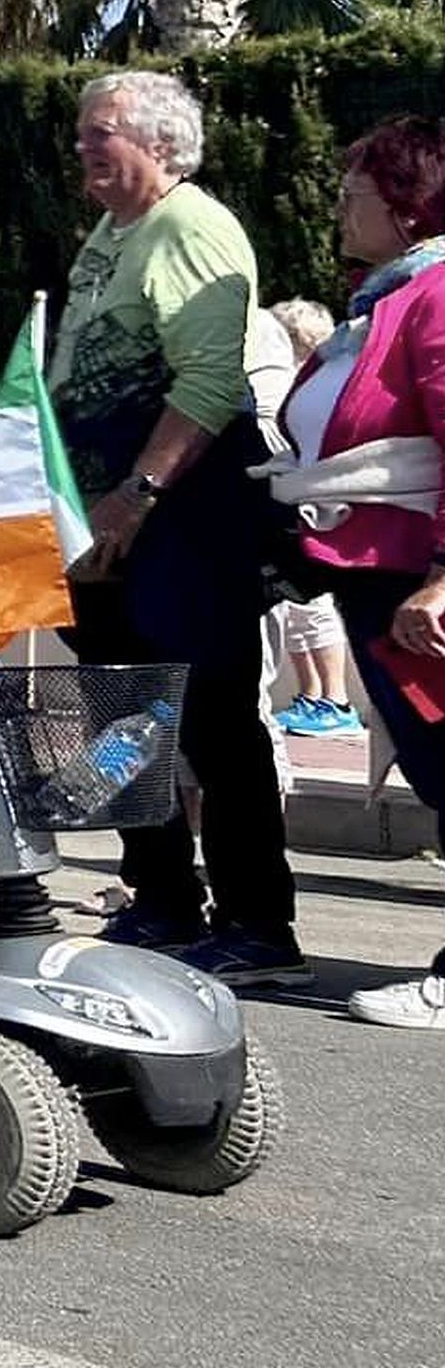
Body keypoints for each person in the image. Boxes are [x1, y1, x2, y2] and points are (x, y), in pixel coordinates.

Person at [50, 69, 300, 986]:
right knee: (120, 716)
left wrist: (138, 492)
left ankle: (256, 926)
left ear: (158, 142)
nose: (82, 146)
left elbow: (204, 378)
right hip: (104, 524)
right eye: (81, 132)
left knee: (213, 720)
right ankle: (158, 901)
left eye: (100, 132)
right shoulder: (112, 231)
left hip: (179, 519)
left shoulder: (190, 226)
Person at [261, 118, 445, 1027]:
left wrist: (442, 579)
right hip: (382, 575)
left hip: (416, 579)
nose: (338, 206)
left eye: (354, 193)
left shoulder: (434, 295)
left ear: (408, 209)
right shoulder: (386, 299)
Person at [259, 298, 363, 738]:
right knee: (295, 611)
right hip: (290, 506)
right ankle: (312, 693)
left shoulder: (308, 386)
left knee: (314, 607)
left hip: (310, 512)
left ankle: (335, 698)